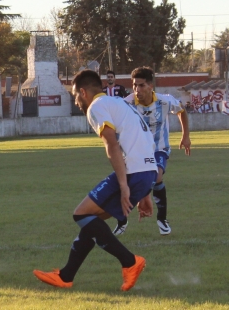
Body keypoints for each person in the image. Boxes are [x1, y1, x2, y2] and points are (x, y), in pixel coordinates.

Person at [33, 69, 157, 292]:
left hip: (133, 173)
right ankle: (66, 276)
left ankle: (130, 262)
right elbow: (142, 140)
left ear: (83, 92)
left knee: (81, 213)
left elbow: (112, 144)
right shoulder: (118, 103)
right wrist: (145, 191)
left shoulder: (96, 107)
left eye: (75, 97)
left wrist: (124, 185)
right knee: (91, 222)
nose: (77, 102)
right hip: (146, 171)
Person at [124, 67, 191, 236]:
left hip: (159, 148)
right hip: (137, 151)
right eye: (134, 86)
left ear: (150, 86)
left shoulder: (165, 101)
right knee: (131, 183)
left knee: (157, 175)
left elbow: (182, 111)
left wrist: (186, 136)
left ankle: (161, 218)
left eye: (141, 85)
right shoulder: (127, 104)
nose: (137, 90)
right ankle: (123, 220)